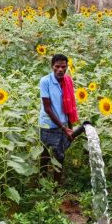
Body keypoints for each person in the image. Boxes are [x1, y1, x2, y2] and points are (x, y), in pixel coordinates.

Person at [39, 54, 79, 184]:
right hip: (48, 124)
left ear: (67, 67)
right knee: (45, 154)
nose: (60, 70)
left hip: (63, 124)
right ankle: (43, 183)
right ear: (52, 66)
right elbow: (47, 108)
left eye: (63, 67)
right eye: (57, 66)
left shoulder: (68, 81)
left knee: (60, 155)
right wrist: (64, 128)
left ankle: (56, 186)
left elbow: (69, 107)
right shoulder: (45, 81)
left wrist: (70, 127)